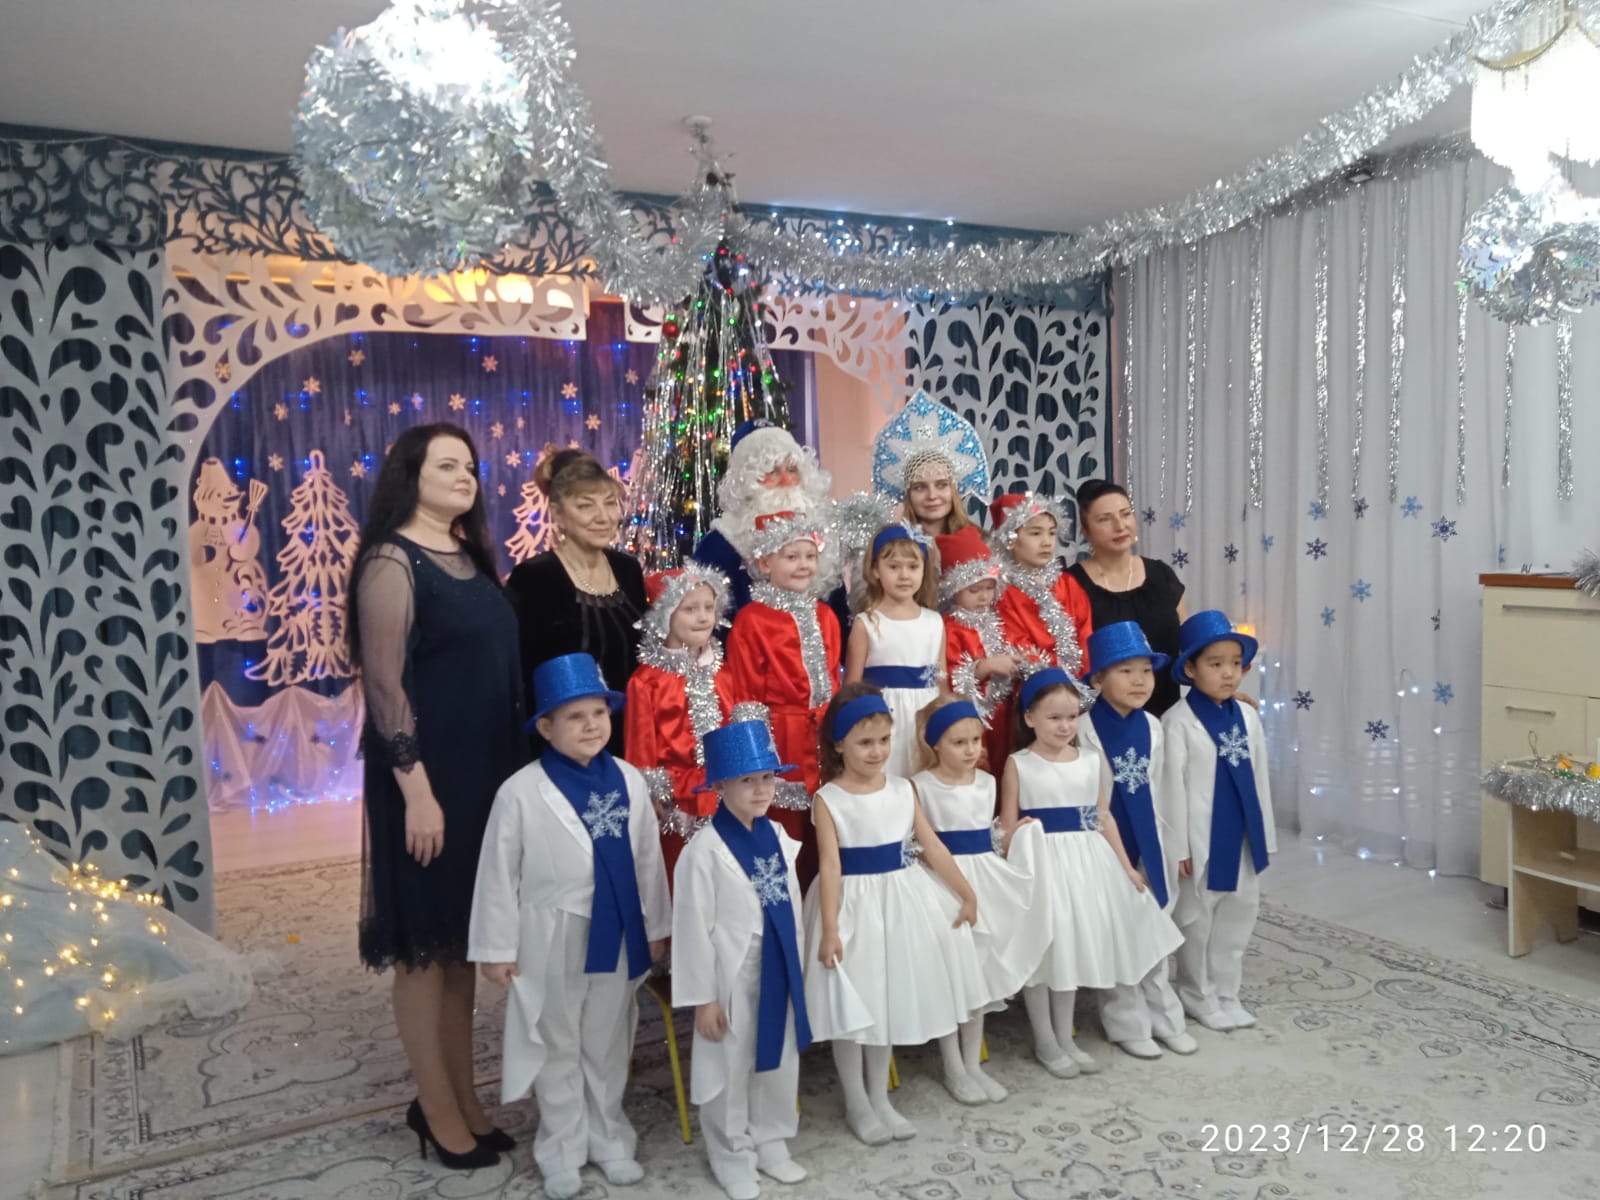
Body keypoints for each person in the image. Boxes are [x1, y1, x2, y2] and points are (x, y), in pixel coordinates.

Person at [348, 422, 525, 1170]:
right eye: (447, 464)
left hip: (482, 779)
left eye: (471, 466)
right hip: (424, 782)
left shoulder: (470, 554)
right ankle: (436, 1107)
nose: (465, 476)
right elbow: (385, 688)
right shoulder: (392, 560)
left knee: (461, 947)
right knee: (424, 951)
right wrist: (417, 791)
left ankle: (461, 1098)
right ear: (410, 475)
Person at [470, 653, 671, 1200]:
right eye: (574, 717)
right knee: (557, 1042)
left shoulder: (628, 779)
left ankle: (609, 1138)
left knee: (606, 1040)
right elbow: (498, 872)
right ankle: (560, 1148)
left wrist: (656, 924)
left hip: (619, 929)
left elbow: (647, 858)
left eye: (598, 713)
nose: (590, 726)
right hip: (551, 933)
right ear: (545, 727)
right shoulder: (520, 791)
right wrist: (495, 946)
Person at [801, 684, 986, 1146]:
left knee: (883, 999)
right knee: (853, 1006)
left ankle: (880, 1097)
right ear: (839, 744)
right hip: (853, 906)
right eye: (865, 742)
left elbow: (932, 846)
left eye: (884, 740)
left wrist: (966, 893)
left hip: (899, 902)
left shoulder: (903, 789)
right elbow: (830, 865)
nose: (877, 751)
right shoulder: (829, 798)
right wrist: (830, 929)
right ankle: (857, 1102)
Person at [999, 669, 1183, 1079]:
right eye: (1053, 718)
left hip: (1085, 864)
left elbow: (1104, 816)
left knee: (1070, 951)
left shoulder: (1088, 760)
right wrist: (1015, 845)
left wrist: (1125, 867)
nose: (1064, 726)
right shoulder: (1019, 764)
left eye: (1071, 717)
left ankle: (1066, 1038)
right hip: (1043, 865)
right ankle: (1045, 1039)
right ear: (1029, 718)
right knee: (1043, 950)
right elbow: (1007, 824)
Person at [671, 721, 812, 1200]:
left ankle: (771, 1139)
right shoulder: (704, 851)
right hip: (730, 975)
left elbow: (791, 904)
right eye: (747, 780)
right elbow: (693, 928)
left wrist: (798, 965)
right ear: (720, 786)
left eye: (767, 777)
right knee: (729, 1065)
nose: (761, 789)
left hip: (778, 965)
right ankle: (730, 1152)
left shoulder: (778, 835)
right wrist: (704, 998)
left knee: (778, 1055)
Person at [911, 697, 1049, 1105]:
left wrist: (1015, 834)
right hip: (944, 884)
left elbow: (992, 838)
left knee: (980, 977)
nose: (971, 750)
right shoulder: (920, 786)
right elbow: (923, 844)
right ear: (936, 744)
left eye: (976, 740)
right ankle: (953, 1066)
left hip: (985, 880)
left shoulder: (987, 783)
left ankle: (973, 1064)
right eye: (959, 743)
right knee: (953, 978)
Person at [1077, 622, 1196, 1060]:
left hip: (1150, 839)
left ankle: (1164, 1015)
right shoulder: (1083, 729)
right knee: (1119, 933)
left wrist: (1175, 845)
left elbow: (1165, 788)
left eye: (1146, 671)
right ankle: (1126, 1020)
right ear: (1098, 679)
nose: (1140, 681)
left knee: (1155, 928)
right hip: (1107, 844)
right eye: (1125, 671)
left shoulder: (1153, 727)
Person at [1161, 611, 1276, 1033]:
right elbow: (1172, 788)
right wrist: (1179, 847)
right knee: (1199, 919)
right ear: (1190, 669)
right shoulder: (1178, 722)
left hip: (1241, 836)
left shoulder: (1248, 717)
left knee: (1239, 912)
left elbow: (1260, 778)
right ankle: (1197, 992)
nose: (1228, 673)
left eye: (1235, 663)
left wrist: (1264, 836)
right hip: (1202, 839)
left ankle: (1227, 991)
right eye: (1215, 663)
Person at [724, 511, 842, 883]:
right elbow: (745, 695)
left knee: (827, 830)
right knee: (785, 832)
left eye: (810, 556)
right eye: (792, 556)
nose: (803, 565)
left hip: (824, 739)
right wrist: (758, 756)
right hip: (781, 741)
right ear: (765, 562)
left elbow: (834, 680)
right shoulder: (752, 619)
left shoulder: (826, 615)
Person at [506, 448, 647, 756]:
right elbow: (519, 679)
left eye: (609, 503)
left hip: (634, 742)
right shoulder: (534, 578)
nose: (603, 517)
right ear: (557, 514)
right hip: (564, 749)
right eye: (585, 505)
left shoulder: (628, 569)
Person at [625, 565, 736, 881]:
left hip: (725, 798)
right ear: (666, 616)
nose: (703, 617)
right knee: (679, 879)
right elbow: (640, 745)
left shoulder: (723, 672)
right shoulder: (647, 681)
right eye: (690, 609)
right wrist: (652, 794)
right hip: (676, 803)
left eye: (708, 608)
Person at [1066, 480, 1188, 715]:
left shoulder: (1162, 575)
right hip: (1099, 723)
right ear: (1085, 531)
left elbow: (1189, 648)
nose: (1120, 526)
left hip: (1166, 718)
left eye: (1125, 514)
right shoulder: (1070, 584)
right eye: (1105, 519)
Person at [694, 419, 839, 616]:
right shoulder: (719, 545)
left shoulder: (823, 537)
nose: (786, 481)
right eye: (772, 471)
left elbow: (839, 615)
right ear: (747, 482)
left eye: (792, 470)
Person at [843, 524, 946, 779]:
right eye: (894, 566)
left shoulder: (934, 622)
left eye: (913, 567)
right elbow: (852, 688)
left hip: (925, 717)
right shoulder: (867, 623)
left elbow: (941, 680)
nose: (904, 575)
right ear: (875, 570)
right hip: (883, 719)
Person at [936, 524, 1035, 774]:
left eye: (989, 588)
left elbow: (1023, 647)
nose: (983, 596)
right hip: (971, 719)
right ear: (954, 589)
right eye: (974, 590)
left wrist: (1027, 662)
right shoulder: (949, 628)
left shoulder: (1000, 620)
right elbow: (950, 676)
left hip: (1006, 715)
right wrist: (984, 667)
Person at [991, 492, 1094, 678]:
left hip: (1081, 684)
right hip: (1032, 685)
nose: (1046, 542)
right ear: (1010, 539)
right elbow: (1017, 649)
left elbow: (1086, 637)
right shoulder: (1000, 592)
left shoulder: (1068, 584)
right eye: (1035, 533)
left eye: (1052, 533)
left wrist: (1085, 680)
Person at [868, 390, 991, 538]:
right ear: (908, 494)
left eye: (942, 485)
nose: (932, 496)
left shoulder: (981, 543)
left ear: (954, 489)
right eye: (920, 487)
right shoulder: (895, 548)